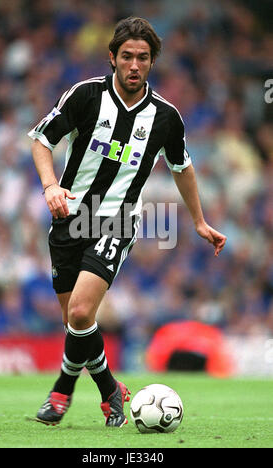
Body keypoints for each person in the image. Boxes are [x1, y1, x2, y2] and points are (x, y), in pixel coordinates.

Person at [28, 17, 226, 428]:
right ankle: (111, 390)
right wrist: (50, 186)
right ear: (113, 59)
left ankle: (62, 390)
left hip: (118, 218)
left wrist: (199, 222)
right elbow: (42, 140)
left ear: (152, 62)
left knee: (81, 313)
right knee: (75, 324)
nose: (134, 65)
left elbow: (181, 167)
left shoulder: (165, 118)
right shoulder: (85, 95)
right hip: (70, 215)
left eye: (143, 58)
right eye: (127, 57)